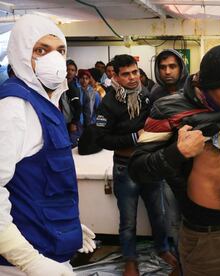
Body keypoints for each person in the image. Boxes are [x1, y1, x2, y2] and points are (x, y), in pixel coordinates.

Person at [129, 45, 220, 276]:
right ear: (207, 85)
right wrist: (177, 152)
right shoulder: (169, 109)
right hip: (205, 237)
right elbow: (138, 169)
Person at [0, 14, 95, 276]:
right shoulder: (15, 108)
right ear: (20, 54)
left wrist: (69, 226)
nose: (54, 59)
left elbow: (39, 184)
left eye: (60, 50)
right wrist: (29, 261)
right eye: (41, 50)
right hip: (22, 264)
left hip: (48, 250)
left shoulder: (45, 103)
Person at [94, 54, 175, 276]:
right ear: (116, 77)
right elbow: (101, 139)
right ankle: (130, 259)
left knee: (158, 213)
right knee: (128, 220)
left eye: (135, 72)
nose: (132, 78)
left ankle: (163, 249)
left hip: (149, 165)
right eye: (126, 74)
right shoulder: (108, 103)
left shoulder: (147, 96)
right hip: (125, 168)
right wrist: (133, 137)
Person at [60, 59, 82, 147]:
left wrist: (74, 123)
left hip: (70, 122)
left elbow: (78, 107)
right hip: (62, 121)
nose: (69, 72)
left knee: (72, 146)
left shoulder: (72, 87)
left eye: (72, 70)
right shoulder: (60, 85)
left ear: (75, 72)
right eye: (67, 69)